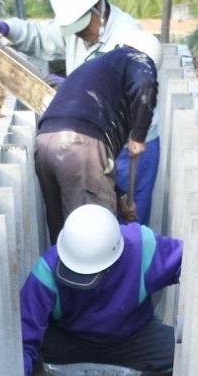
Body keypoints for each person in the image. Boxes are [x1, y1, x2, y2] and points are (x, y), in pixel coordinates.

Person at [0, 0, 164, 221]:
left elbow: (137, 89)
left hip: (128, 143)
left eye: (82, 25)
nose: (78, 33)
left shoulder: (127, 35)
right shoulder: (76, 30)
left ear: (98, 7)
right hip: (94, 137)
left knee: (129, 220)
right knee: (92, 217)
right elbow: (42, 36)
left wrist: (75, 88)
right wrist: (10, 29)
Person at [21, 203, 183, 376]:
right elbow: (24, 340)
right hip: (67, 339)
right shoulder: (45, 272)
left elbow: (190, 263)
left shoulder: (143, 249)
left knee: (182, 352)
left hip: (132, 336)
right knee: (23, 346)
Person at [32, 44, 158, 239]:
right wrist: (138, 137)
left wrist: (121, 199)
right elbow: (145, 83)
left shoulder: (97, 73)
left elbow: (96, 172)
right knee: (95, 236)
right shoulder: (135, 58)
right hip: (78, 145)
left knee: (63, 236)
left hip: (45, 142)